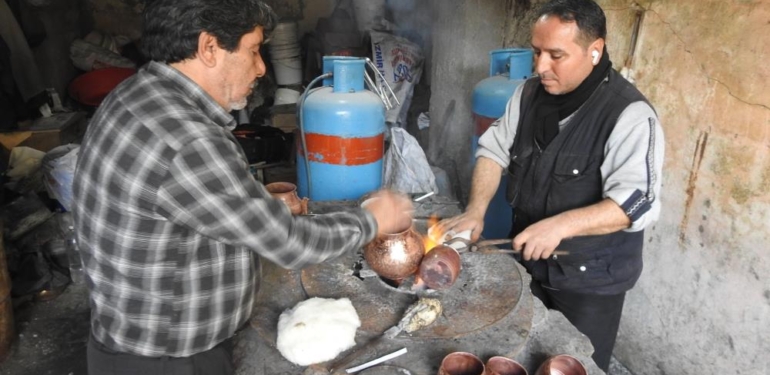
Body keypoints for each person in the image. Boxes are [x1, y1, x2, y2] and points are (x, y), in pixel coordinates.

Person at [71, 1, 413, 374]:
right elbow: (289, 243)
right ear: (209, 48)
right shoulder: (189, 139)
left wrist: (248, 201)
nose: (262, 67)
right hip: (169, 358)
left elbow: (174, 199)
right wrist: (370, 220)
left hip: (131, 337)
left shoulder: (137, 94)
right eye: (253, 50)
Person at [432, 0, 664, 371]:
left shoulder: (629, 115)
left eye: (556, 55)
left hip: (589, 280)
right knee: (515, 355)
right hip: (527, 264)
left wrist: (560, 226)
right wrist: (475, 211)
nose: (541, 66)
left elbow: (635, 204)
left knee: (571, 365)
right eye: (537, 52)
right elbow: (493, 151)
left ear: (595, 50)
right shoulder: (527, 95)